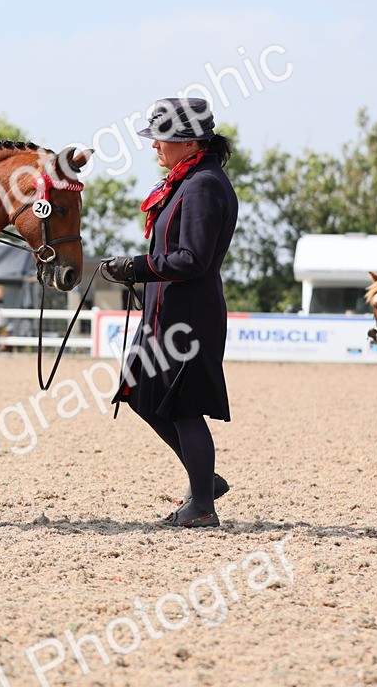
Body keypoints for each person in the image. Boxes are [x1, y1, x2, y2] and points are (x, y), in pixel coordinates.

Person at [102, 97, 238, 529]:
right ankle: (204, 481)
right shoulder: (187, 180)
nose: (154, 146)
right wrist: (137, 270)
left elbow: (193, 259)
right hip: (164, 311)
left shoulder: (203, 185)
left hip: (188, 316)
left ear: (190, 142)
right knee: (141, 393)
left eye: (162, 138)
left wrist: (136, 267)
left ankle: (202, 507)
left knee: (181, 407)